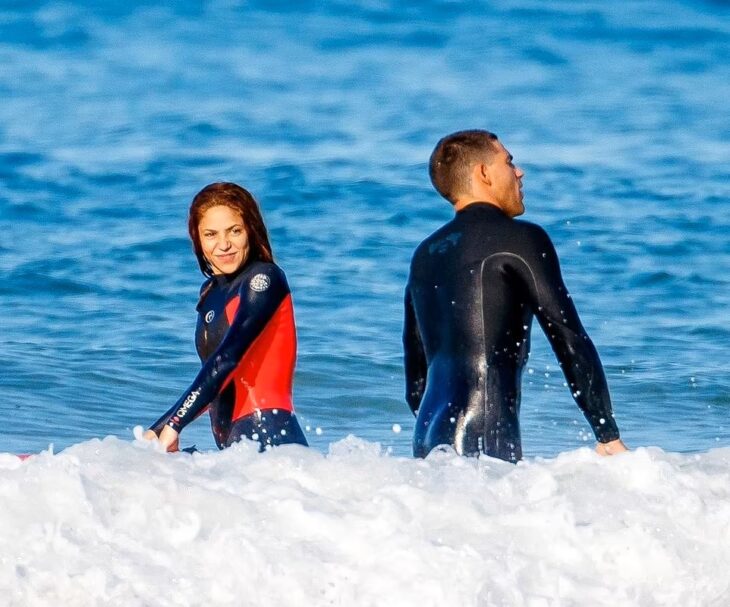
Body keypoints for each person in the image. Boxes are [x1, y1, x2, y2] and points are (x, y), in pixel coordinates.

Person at [403, 130, 627, 462]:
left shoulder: (425, 254)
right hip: (485, 435)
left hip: (427, 435)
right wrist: (607, 433)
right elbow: (568, 338)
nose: (518, 172)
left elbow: (415, 384)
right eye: (509, 162)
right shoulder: (521, 239)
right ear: (483, 173)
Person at [143, 182, 308, 452]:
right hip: (239, 446)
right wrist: (160, 427)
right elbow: (213, 378)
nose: (224, 245)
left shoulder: (263, 279)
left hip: (271, 436)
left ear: (251, 231)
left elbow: (228, 357)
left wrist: (175, 423)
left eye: (234, 231)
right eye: (210, 234)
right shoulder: (210, 293)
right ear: (197, 239)